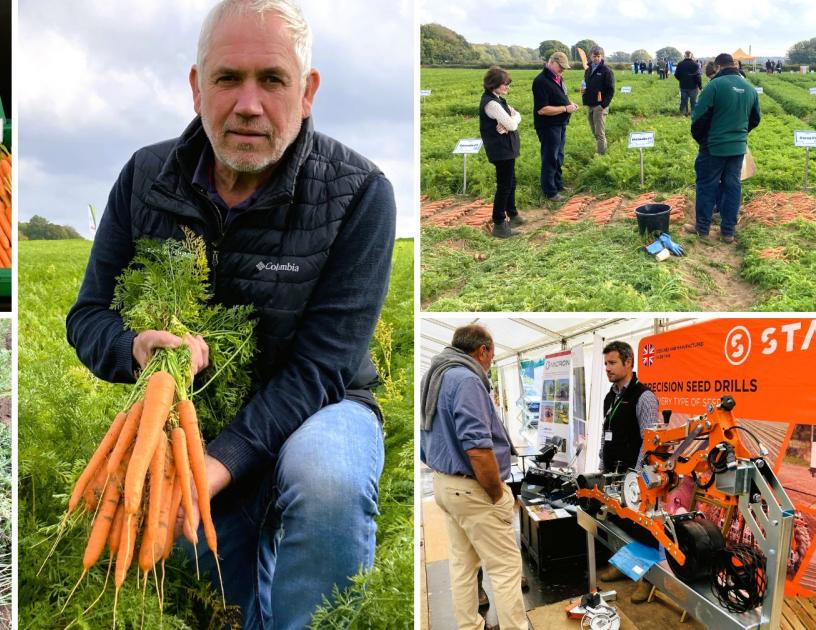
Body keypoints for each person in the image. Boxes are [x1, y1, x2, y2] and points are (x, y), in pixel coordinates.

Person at [65, 1, 395, 627]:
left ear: (306, 92)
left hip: (326, 403)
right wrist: (133, 347)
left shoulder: (359, 192)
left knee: (327, 485)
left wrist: (214, 465)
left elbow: (324, 365)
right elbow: (87, 316)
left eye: (272, 79)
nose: (249, 103)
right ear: (197, 87)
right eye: (227, 79)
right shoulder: (143, 176)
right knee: (205, 565)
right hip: (193, 412)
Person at [421, 324, 529, 630]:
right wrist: (496, 493)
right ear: (482, 350)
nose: (491, 363)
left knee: (462, 565)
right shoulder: (467, 380)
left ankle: (469, 625)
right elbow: (479, 449)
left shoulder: (434, 375)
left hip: (444, 483)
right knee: (506, 568)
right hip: (474, 489)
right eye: (492, 356)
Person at [595, 340, 660, 590]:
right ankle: (623, 567)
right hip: (613, 475)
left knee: (643, 527)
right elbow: (606, 432)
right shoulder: (609, 397)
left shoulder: (644, 397)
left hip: (636, 478)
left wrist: (636, 475)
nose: (607, 368)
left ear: (628, 362)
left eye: (612, 363)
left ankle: (649, 581)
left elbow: (649, 441)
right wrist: (601, 463)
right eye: (605, 364)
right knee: (621, 522)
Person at [684, 52, 761, 243]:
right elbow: (755, 119)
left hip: (714, 147)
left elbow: (699, 119)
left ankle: (702, 229)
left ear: (718, 67)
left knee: (706, 185)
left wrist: (704, 140)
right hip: (737, 148)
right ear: (733, 65)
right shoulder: (749, 88)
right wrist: (739, 134)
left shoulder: (714, 86)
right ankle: (728, 232)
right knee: (732, 186)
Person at [480, 66, 524, 238]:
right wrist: (511, 121)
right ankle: (499, 223)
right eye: (505, 84)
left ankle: (512, 214)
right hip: (501, 150)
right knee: (504, 185)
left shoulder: (497, 99)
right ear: (494, 84)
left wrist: (511, 120)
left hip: (506, 148)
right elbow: (513, 124)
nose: (508, 87)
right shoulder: (491, 103)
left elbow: (516, 116)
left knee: (511, 181)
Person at [532, 51, 578, 202]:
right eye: (561, 66)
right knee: (550, 157)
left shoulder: (558, 77)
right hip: (548, 126)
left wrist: (569, 104)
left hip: (559, 124)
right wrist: (565, 109)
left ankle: (558, 184)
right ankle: (550, 191)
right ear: (551, 62)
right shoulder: (541, 81)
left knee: (559, 156)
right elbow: (542, 109)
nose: (563, 70)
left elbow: (560, 97)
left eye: (564, 67)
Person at [582, 46, 615, 155]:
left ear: (602, 56)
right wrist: (584, 91)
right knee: (594, 132)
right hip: (590, 104)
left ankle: (601, 157)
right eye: (594, 56)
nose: (596, 58)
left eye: (598, 56)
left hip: (600, 106)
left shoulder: (606, 70)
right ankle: (602, 150)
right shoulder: (588, 69)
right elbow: (587, 84)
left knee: (599, 133)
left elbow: (611, 90)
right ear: (590, 56)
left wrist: (603, 105)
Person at [675, 51, 702, 115]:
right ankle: (693, 114)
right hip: (693, 86)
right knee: (693, 101)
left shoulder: (680, 64)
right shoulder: (695, 64)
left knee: (683, 101)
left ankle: (684, 113)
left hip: (683, 85)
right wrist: (700, 86)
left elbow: (676, 75)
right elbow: (698, 76)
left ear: (684, 55)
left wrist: (681, 80)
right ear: (691, 56)